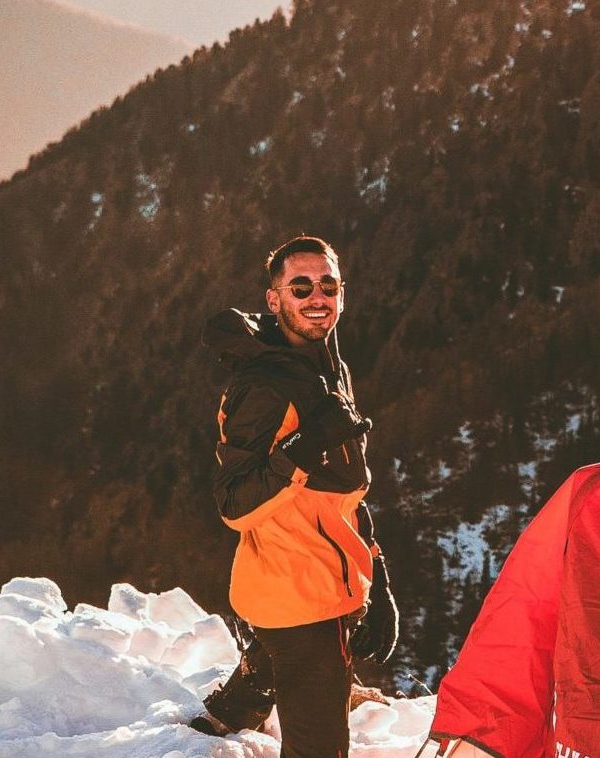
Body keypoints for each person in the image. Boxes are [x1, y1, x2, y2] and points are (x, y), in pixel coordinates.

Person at [193, 235, 400, 756]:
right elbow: (233, 502)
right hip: (297, 598)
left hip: (319, 572)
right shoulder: (264, 386)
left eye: (328, 285)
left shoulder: (327, 368)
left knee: (295, 652)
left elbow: (346, 488)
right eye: (300, 285)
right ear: (273, 298)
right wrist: (305, 448)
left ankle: (233, 712)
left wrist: (376, 571)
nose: (316, 297)